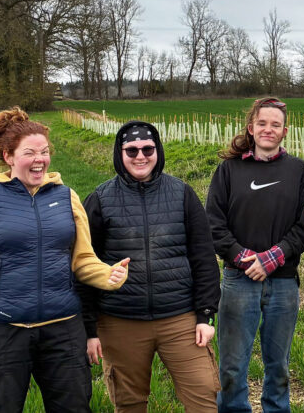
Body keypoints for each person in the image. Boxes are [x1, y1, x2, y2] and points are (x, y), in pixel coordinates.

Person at [0, 107, 130, 413]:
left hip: (63, 330)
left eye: (44, 152)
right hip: (1, 331)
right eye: (29, 152)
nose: (39, 159)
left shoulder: (67, 197)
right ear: (8, 157)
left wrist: (107, 275)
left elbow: (83, 260)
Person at [78, 121, 222, 412]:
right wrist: (89, 329)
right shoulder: (100, 199)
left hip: (180, 319)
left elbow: (203, 257)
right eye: (131, 150)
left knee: (204, 396)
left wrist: (205, 315)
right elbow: (83, 266)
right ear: (120, 154)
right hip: (120, 320)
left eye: (147, 149)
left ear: (158, 151)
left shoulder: (182, 193)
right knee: (129, 403)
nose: (140, 156)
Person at [205, 97, 304, 413]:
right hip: (238, 281)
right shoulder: (229, 170)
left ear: (285, 131)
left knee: (278, 366)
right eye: (262, 123)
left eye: (275, 124)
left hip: (283, 283)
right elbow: (213, 223)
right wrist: (243, 258)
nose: (268, 129)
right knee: (232, 366)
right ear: (251, 128)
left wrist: (272, 258)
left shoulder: (298, 170)